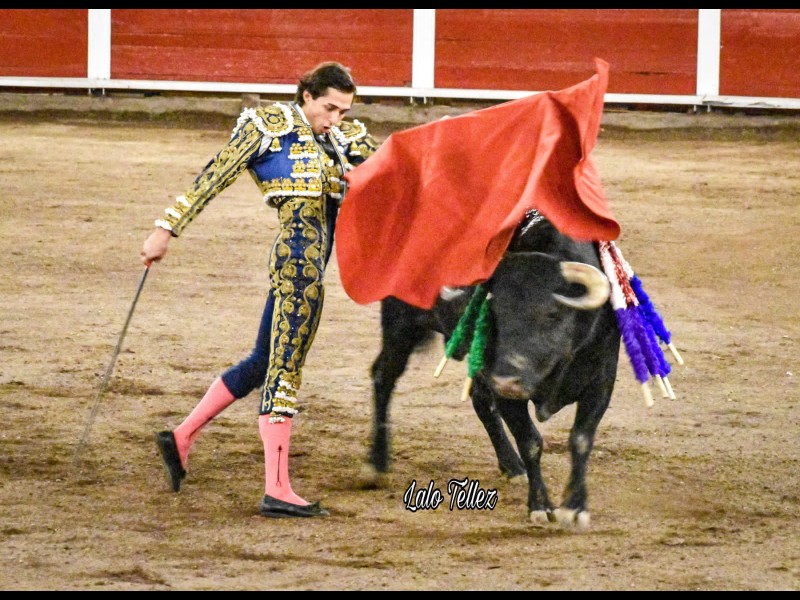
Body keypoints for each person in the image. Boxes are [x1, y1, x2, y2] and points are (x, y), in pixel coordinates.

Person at [140, 62, 379, 518]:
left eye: (344, 112)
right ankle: (277, 489)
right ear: (307, 96)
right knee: (285, 369)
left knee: (262, 361)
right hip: (297, 267)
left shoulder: (343, 139)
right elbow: (215, 175)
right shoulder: (269, 127)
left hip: (310, 267)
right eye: (329, 108)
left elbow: (396, 167)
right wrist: (165, 229)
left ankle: (181, 436)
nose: (335, 119)